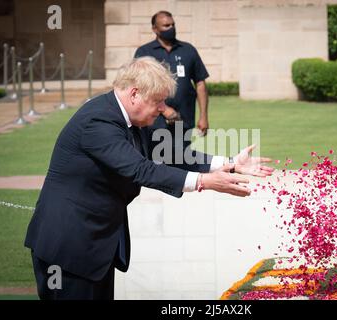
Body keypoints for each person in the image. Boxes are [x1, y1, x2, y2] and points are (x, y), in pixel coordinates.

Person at [24, 56, 273, 300]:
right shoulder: (98, 120)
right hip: (68, 248)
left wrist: (229, 164)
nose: (162, 109)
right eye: (158, 101)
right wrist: (204, 182)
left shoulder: (135, 119)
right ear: (135, 94)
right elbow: (141, 169)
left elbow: (171, 154)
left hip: (95, 247)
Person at [134, 10, 209, 157]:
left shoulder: (188, 50)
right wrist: (164, 108)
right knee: (156, 160)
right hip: (153, 120)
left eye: (173, 25)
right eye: (166, 26)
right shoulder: (144, 52)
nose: (171, 28)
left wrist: (203, 116)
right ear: (155, 29)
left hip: (184, 119)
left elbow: (200, 83)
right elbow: (140, 87)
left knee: (182, 159)